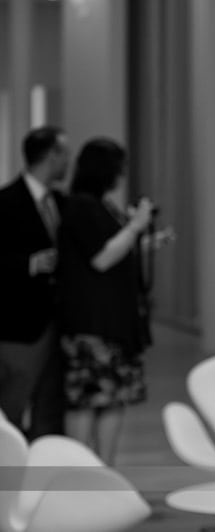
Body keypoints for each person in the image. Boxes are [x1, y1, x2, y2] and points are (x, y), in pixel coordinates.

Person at [57, 138, 159, 465]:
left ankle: (104, 472)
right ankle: (81, 474)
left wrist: (144, 238)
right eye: (119, 167)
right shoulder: (81, 206)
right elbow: (102, 258)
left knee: (113, 398)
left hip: (112, 322)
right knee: (87, 399)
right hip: (91, 324)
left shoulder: (100, 204)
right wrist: (136, 226)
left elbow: (116, 250)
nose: (122, 174)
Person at [0, 125, 70, 439]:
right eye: (64, 153)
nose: (68, 161)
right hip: (20, 327)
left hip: (60, 322)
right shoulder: (5, 202)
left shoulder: (63, 203)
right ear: (49, 156)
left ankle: (44, 480)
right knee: (12, 407)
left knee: (51, 410)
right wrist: (30, 264)